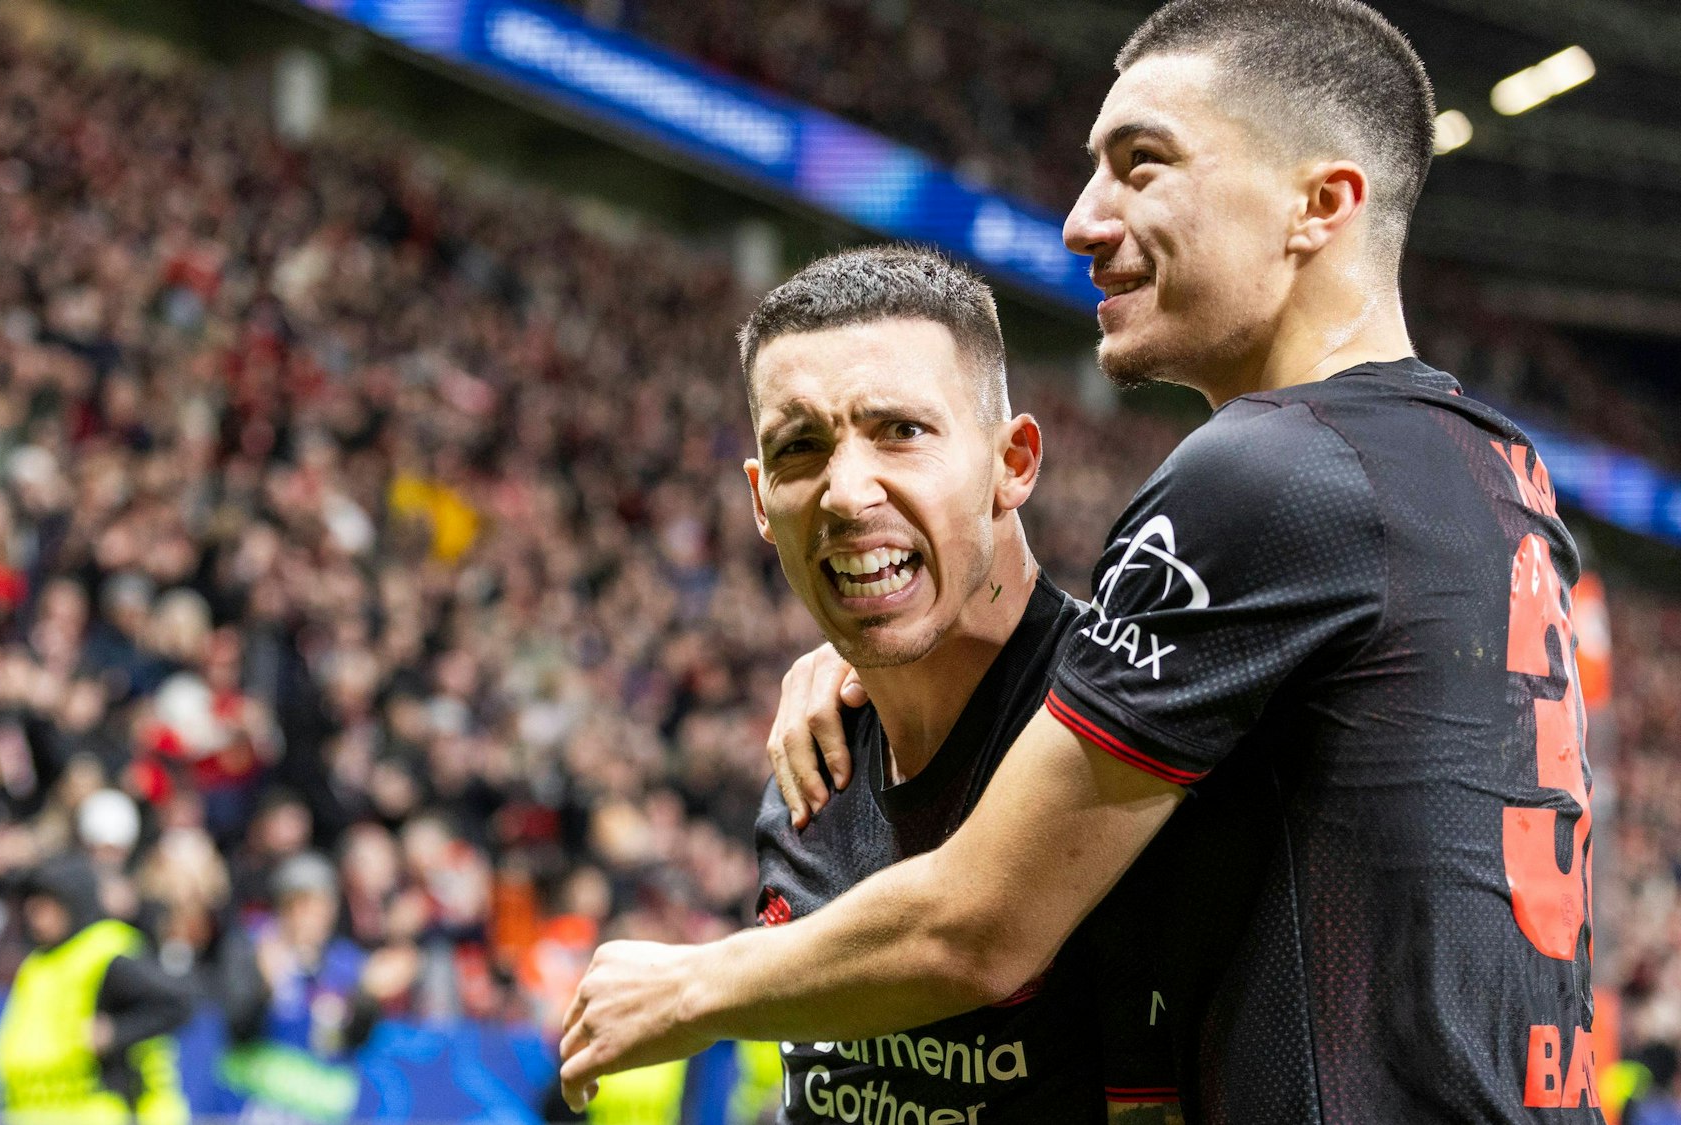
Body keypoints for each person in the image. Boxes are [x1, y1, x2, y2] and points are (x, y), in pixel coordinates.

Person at [558, 1, 1600, 1121]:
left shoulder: (1271, 467)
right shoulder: (1492, 470)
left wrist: (684, 985)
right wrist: (880, 656)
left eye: (1141, 165)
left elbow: (980, 926)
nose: (1079, 221)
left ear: (1319, 204)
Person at [731, 245, 1195, 1123]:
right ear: (761, 500)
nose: (846, 493)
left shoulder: (1138, 734)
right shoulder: (810, 773)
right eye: (800, 447)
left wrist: (686, 988)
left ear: (1012, 462)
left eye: (902, 431)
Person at [0, 855, 195, 1125]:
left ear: (72, 902)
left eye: (46, 905)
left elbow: (178, 1003)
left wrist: (115, 1032)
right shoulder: (37, 963)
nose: (35, 915)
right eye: (32, 906)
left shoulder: (105, 952)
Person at [217, 851, 377, 1125]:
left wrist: (367, 1000)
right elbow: (236, 1027)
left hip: (322, 1113)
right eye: (303, 904)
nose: (313, 916)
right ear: (284, 905)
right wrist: (266, 988)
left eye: (323, 905)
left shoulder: (345, 961)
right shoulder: (251, 947)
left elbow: (357, 1038)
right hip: (254, 1107)